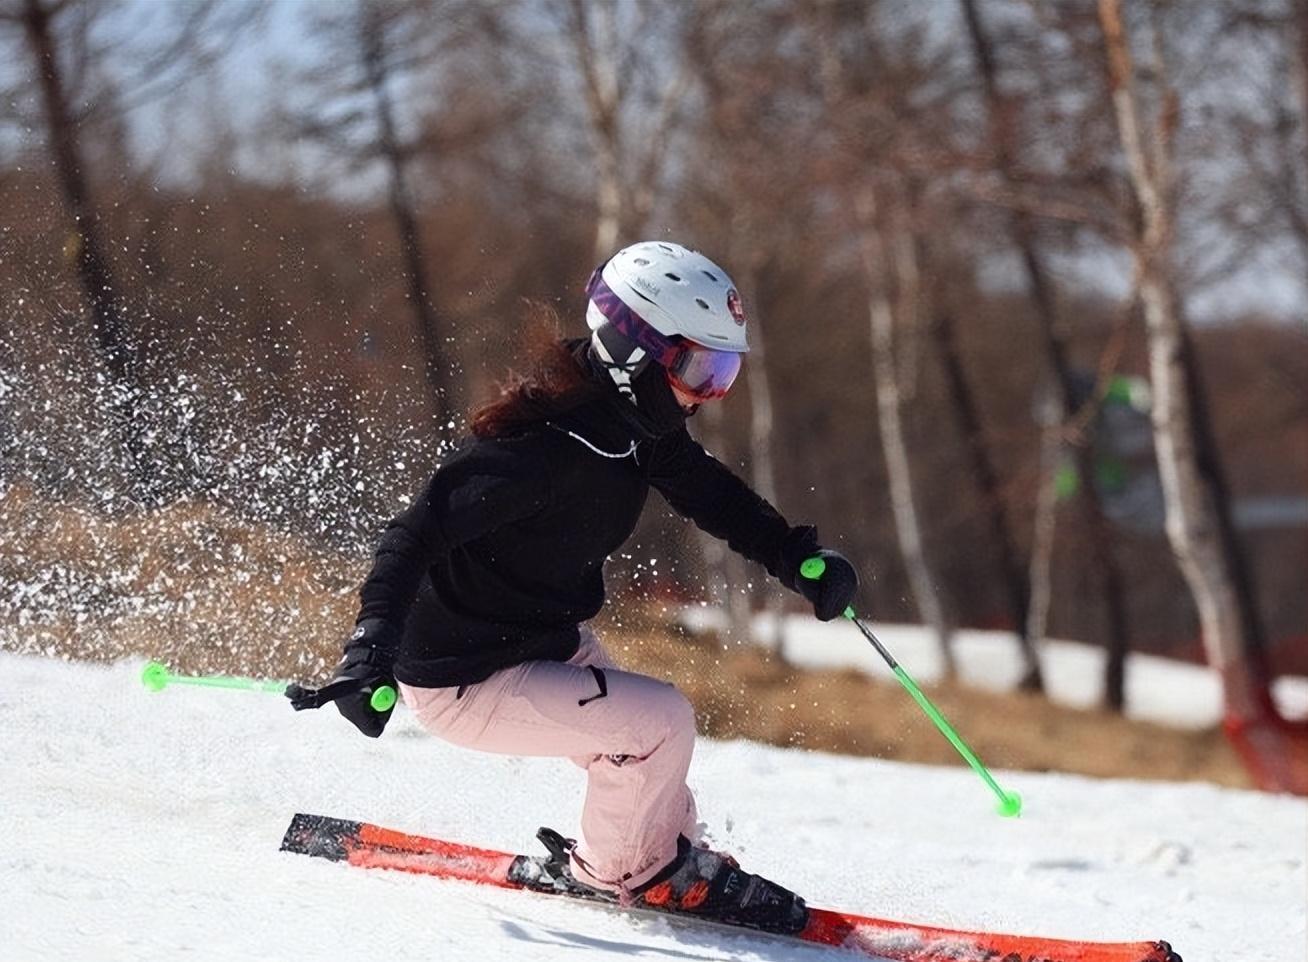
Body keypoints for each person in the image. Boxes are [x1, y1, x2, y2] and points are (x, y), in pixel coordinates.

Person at [316, 241, 857, 933]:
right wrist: (368, 652)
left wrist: (793, 557)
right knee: (657, 723)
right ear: (635, 352)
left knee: (654, 772)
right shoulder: (533, 453)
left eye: (726, 371)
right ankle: (629, 874)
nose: (711, 392)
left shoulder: (634, 426)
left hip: (538, 645)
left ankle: (660, 860)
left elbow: (708, 493)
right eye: (700, 367)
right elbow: (411, 537)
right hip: (463, 678)